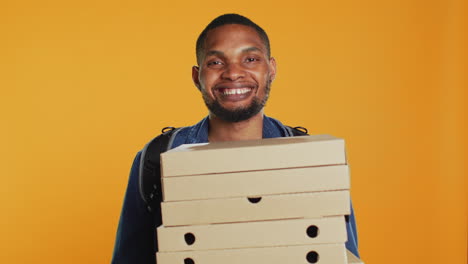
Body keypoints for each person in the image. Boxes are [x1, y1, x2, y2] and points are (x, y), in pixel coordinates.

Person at [111, 13, 359, 263]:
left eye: (250, 59)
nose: (233, 73)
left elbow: (343, 254)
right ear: (198, 77)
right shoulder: (156, 159)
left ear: (271, 69)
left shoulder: (315, 160)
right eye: (216, 63)